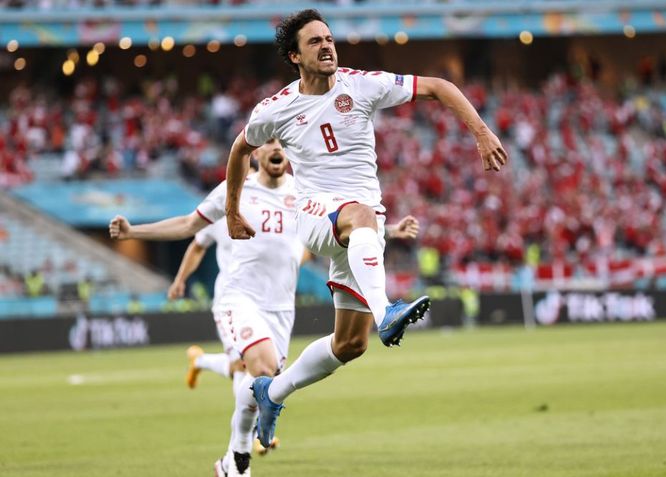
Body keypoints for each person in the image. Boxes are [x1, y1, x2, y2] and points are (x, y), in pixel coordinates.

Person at [223, 9, 508, 451]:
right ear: (294, 56)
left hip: (360, 231)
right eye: (315, 41)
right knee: (361, 216)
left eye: (329, 38)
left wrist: (482, 132)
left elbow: (439, 86)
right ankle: (386, 310)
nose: (326, 46)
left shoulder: (362, 85)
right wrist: (232, 211)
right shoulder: (275, 109)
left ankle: (272, 392)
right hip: (316, 215)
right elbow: (241, 148)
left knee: (350, 344)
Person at [109, 139, 422, 476]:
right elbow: (188, 225)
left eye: (281, 143)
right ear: (255, 152)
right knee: (261, 367)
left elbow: (336, 226)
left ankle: (232, 459)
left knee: (262, 383)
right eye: (268, 142)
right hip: (240, 298)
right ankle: (240, 460)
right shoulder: (235, 190)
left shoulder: (304, 192)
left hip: (281, 307)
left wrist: (389, 229)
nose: (276, 148)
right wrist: (133, 232)